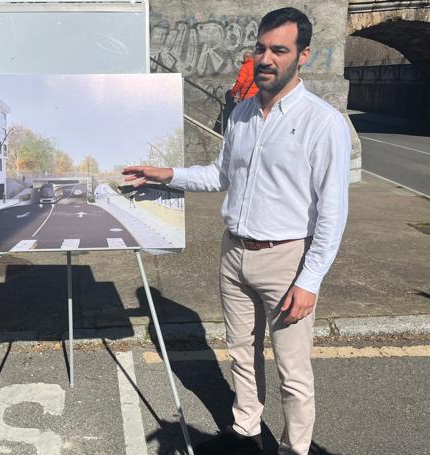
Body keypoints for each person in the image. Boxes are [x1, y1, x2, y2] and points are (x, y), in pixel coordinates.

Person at [123, 7, 350, 455]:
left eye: (279, 50)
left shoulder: (322, 123)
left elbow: (333, 212)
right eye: (261, 49)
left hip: (286, 259)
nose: (266, 59)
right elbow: (220, 175)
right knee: (241, 352)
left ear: (302, 55)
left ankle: (294, 448)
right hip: (234, 254)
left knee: (292, 369)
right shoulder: (243, 113)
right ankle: (246, 431)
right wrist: (165, 174)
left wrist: (309, 280)